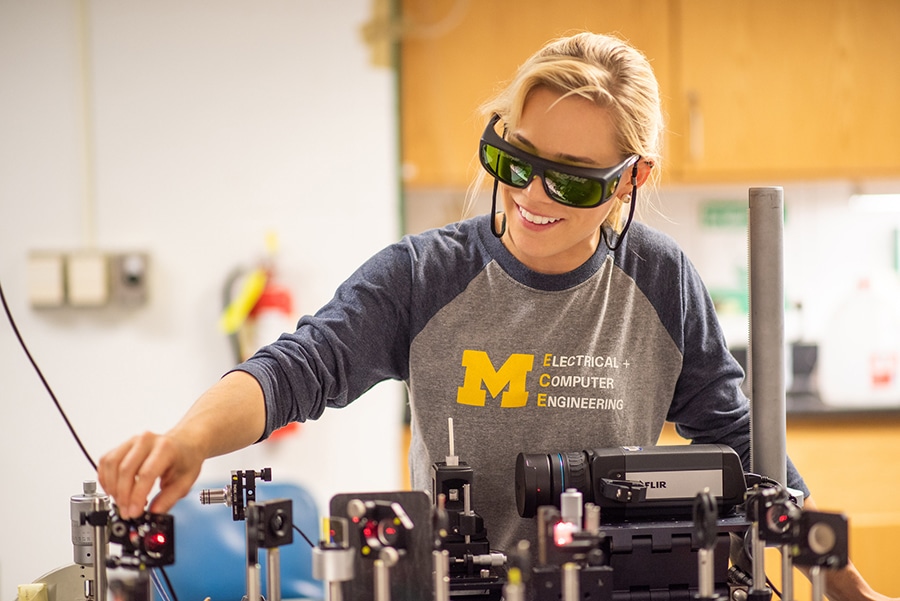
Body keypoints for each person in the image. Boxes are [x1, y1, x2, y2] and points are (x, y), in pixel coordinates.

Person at [98, 32, 894, 601]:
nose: (532, 198)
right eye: (515, 162)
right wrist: (188, 439)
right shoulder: (425, 274)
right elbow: (298, 368)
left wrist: (829, 565)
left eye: (574, 182)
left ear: (632, 178)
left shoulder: (658, 279)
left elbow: (745, 442)